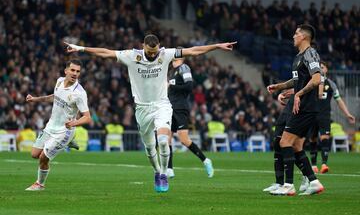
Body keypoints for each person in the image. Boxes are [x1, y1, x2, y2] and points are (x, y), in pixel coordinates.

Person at [65, 34, 236, 193]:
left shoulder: (165, 54)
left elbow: (193, 51)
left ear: (159, 47)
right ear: (143, 47)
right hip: (142, 108)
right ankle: (156, 171)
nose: (153, 55)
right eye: (149, 52)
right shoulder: (132, 56)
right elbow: (106, 52)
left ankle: (163, 174)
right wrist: (81, 48)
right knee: (149, 148)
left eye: (155, 52)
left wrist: (217, 46)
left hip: (162, 104)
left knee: (162, 140)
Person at [267, 24, 324, 196]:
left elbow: (316, 78)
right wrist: (280, 86)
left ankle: (288, 184)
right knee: (297, 146)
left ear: (304, 37)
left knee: (285, 142)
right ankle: (314, 182)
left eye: (296, 33)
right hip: (304, 106)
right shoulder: (299, 57)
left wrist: (298, 94)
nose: (293, 36)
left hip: (305, 107)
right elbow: (296, 80)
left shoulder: (310, 53)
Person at [25, 60, 91, 191]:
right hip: (50, 126)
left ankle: (39, 184)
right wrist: (35, 99)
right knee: (34, 154)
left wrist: (74, 123)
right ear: (66, 70)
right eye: (72, 70)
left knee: (43, 158)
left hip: (64, 131)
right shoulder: (60, 81)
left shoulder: (79, 93)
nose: (75, 73)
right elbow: (54, 97)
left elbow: (87, 117)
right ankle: (69, 142)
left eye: (78, 71)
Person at [167, 55, 214, 179]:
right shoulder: (172, 72)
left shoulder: (184, 68)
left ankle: (205, 160)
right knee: (167, 139)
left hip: (180, 108)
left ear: (180, 59)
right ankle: (169, 168)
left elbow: (189, 86)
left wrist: (171, 85)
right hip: (169, 108)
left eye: (174, 58)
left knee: (184, 140)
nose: (172, 60)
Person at [309, 61, 355, 174]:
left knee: (325, 138)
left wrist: (347, 114)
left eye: (322, 67)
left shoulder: (331, 84)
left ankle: (324, 164)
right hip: (311, 115)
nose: (320, 69)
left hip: (324, 115)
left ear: (326, 70)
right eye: (318, 67)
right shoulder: (312, 82)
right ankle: (314, 165)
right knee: (312, 139)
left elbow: (339, 100)